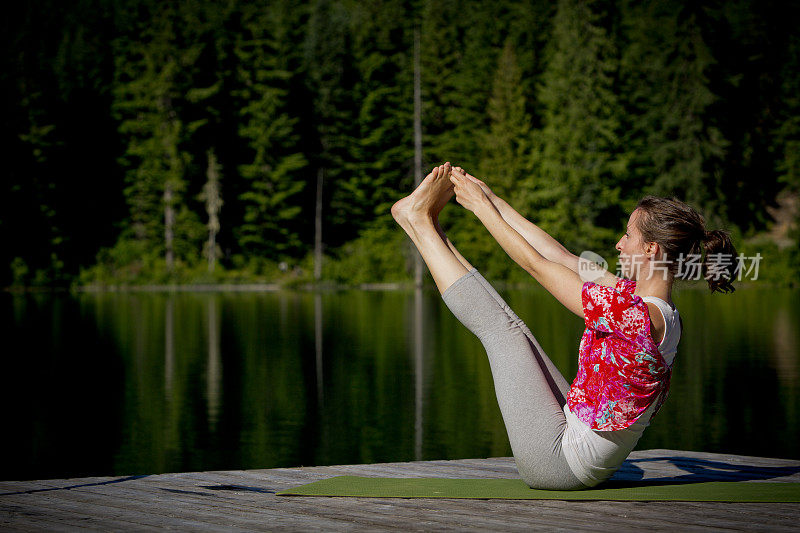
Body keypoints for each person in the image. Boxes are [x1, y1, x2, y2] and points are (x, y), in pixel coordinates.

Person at [391, 162, 738, 489]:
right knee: (519, 333)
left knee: (503, 332)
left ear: (649, 248)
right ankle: (426, 225)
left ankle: (419, 223)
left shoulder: (634, 315)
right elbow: (563, 258)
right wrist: (495, 201)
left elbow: (536, 265)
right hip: (572, 439)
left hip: (560, 465)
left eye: (627, 235)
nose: (619, 243)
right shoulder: (650, 307)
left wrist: (482, 209)